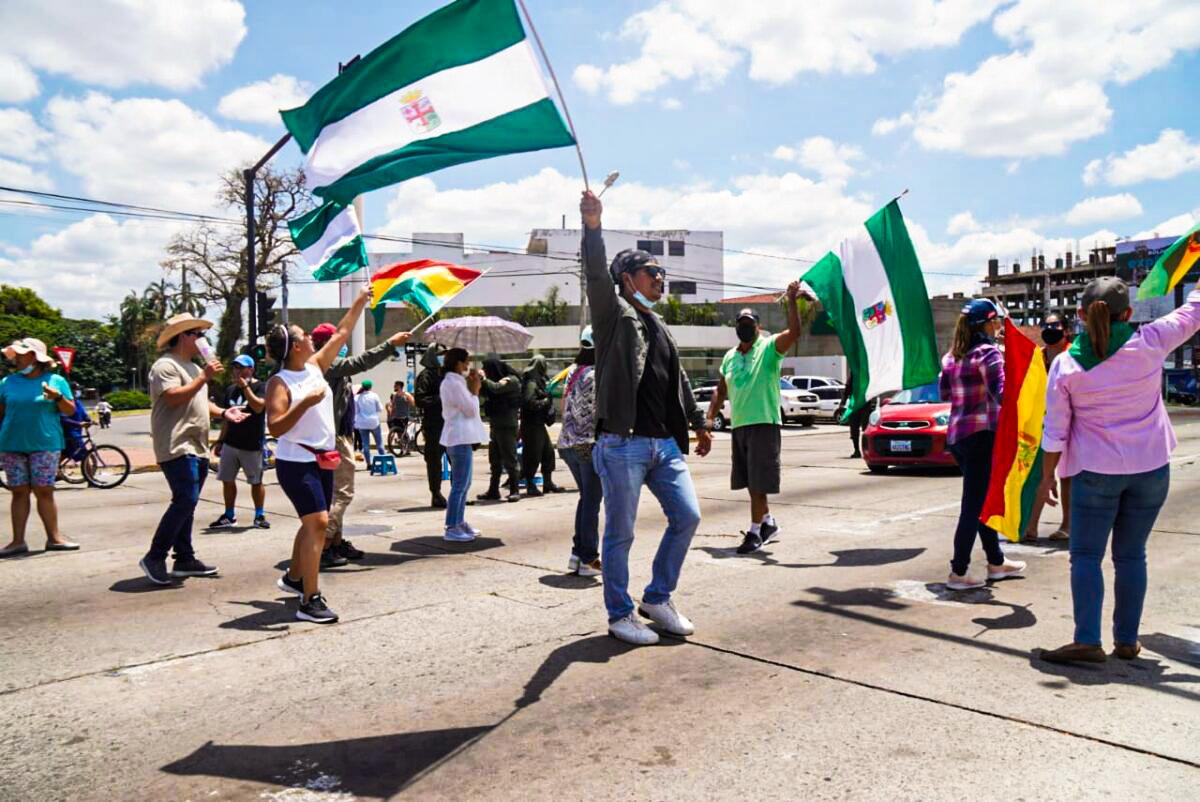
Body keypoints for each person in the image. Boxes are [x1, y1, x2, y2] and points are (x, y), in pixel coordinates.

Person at [1038, 277, 1200, 664]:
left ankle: (1088, 640)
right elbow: (1194, 313)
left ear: (1078, 315)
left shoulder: (1065, 363)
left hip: (1096, 472)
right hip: (1152, 469)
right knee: (1131, 556)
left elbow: (1055, 429)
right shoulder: (1151, 342)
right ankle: (1126, 640)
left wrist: (1046, 479)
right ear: (1127, 314)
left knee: (1087, 556)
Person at [581, 190, 713, 646]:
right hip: (623, 443)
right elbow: (594, 273)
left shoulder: (657, 323)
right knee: (620, 533)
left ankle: (657, 597)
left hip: (664, 444)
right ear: (627, 278)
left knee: (688, 517)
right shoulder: (612, 314)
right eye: (652, 272)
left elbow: (675, 381)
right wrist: (593, 226)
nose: (661, 279)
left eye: (662, 273)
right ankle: (619, 613)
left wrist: (698, 422)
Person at [267, 286, 373, 624]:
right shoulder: (279, 383)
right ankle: (309, 599)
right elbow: (275, 427)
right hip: (297, 462)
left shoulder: (314, 367)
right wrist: (305, 404)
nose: (312, 338)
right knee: (319, 523)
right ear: (295, 346)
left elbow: (342, 332)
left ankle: (294, 578)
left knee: (311, 522)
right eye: (306, 335)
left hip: (323, 459)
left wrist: (360, 300)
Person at [140, 315, 248, 585]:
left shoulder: (191, 366)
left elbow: (201, 400)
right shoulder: (165, 366)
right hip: (177, 443)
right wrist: (203, 376)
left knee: (188, 502)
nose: (202, 339)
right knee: (185, 499)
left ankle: (184, 557)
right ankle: (155, 556)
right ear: (183, 336)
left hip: (197, 445)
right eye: (197, 334)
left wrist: (224, 411)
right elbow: (174, 397)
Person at [707, 284, 804, 555]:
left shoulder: (769, 348)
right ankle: (768, 523)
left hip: (764, 423)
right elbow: (720, 389)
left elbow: (795, 333)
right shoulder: (730, 356)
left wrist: (793, 301)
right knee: (750, 482)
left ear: (758, 327)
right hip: (739, 425)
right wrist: (709, 419)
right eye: (741, 323)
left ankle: (754, 532)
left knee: (758, 483)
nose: (745, 327)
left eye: (750, 323)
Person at [939, 299, 1026, 591]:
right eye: (996, 321)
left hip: (957, 436)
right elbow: (1002, 394)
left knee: (981, 502)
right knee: (973, 506)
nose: (999, 326)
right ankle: (958, 571)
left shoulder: (951, 357)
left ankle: (996, 562)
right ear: (985, 325)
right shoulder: (988, 353)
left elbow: (944, 392)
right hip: (982, 436)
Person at [310, 321, 412, 568]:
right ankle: (320, 545)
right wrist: (391, 344)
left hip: (338, 435)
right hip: (332, 438)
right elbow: (362, 361)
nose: (343, 345)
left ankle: (335, 543)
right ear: (326, 343)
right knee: (343, 493)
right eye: (339, 340)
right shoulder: (327, 363)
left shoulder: (330, 366)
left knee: (335, 494)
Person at [0, 338, 80, 557]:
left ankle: (54, 538)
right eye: (15, 354)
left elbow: (71, 411)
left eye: (21, 354)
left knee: (44, 491)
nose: (16, 358)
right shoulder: (7, 382)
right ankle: (17, 542)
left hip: (45, 444)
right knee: (19, 492)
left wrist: (57, 397)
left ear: (35, 358)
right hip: (11, 444)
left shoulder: (56, 380)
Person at [1022, 312, 1072, 543]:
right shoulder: (1037, 357)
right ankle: (1030, 526)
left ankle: (1067, 525)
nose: (1050, 329)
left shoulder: (1073, 355)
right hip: (1041, 423)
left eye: (1055, 325)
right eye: (1046, 325)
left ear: (1066, 330)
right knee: (1040, 474)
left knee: (1067, 475)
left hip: (1071, 422)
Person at [556, 327, 602, 576]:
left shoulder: (574, 371)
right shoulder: (597, 374)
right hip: (587, 443)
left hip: (567, 443)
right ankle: (588, 558)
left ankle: (577, 554)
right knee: (591, 503)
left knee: (586, 500)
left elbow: (564, 405)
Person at [209, 354, 270, 530]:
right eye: (235, 367)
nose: (237, 371)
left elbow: (259, 407)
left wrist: (245, 388)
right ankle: (229, 515)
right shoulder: (230, 390)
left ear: (250, 369)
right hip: (231, 443)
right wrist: (220, 441)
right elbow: (227, 418)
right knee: (227, 480)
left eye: (241, 367)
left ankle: (259, 515)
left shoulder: (261, 386)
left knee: (255, 481)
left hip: (251, 444)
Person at [439, 347, 487, 542]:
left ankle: (459, 521)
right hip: (458, 438)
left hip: (461, 438)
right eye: (466, 361)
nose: (468, 365)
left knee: (464, 484)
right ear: (459, 363)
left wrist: (471, 386)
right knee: (460, 485)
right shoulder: (453, 383)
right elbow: (469, 410)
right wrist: (475, 391)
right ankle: (452, 525)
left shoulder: (456, 382)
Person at [478, 354, 523, 503]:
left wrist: (484, 379)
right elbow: (485, 394)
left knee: (510, 459)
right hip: (496, 425)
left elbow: (496, 388)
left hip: (507, 426)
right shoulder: (494, 381)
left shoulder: (511, 380)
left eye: (486, 368)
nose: (485, 371)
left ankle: (514, 490)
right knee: (495, 461)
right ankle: (493, 490)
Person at [519, 354, 564, 496]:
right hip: (531, 426)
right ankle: (531, 485)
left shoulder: (539, 381)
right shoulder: (531, 382)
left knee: (548, 454)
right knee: (532, 456)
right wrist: (545, 401)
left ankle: (548, 483)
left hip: (538, 425)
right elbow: (528, 402)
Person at [413, 344, 448, 507]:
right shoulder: (425, 376)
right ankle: (436, 493)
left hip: (451, 423)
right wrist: (441, 398)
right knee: (434, 460)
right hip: (434, 425)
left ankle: (458, 494)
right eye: (440, 354)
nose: (443, 357)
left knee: (457, 459)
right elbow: (420, 400)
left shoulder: (448, 374)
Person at [354, 379, 386, 468]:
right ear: (371, 387)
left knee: (365, 444)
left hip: (362, 423)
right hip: (374, 422)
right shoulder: (374, 396)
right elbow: (380, 408)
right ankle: (384, 461)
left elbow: (356, 411)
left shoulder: (357, 397)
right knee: (379, 443)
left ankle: (369, 464)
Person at [838, 370, 870, 459]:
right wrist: (842, 402)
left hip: (865, 403)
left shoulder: (868, 371)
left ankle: (867, 450)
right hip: (855, 403)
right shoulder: (854, 372)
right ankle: (857, 450)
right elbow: (847, 388)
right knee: (854, 428)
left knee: (866, 429)